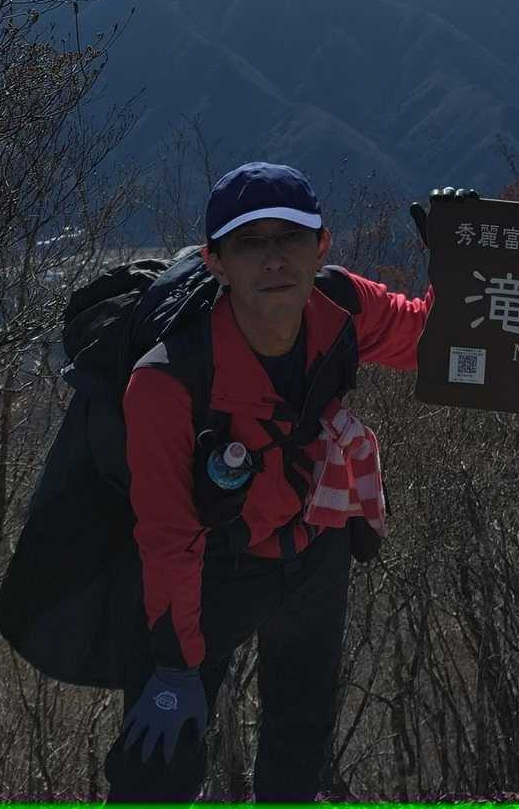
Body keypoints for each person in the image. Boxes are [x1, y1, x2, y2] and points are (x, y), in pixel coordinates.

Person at [103, 161, 435, 804]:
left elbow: (427, 339)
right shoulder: (168, 381)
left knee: (300, 739)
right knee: (159, 765)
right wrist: (174, 664)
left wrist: (459, 261)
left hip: (313, 543)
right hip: (211, 565)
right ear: (215, 262)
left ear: (322, 246)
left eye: (290, 237)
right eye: (250, 243)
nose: (274, 258)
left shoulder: (340, 306)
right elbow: (169, 536)